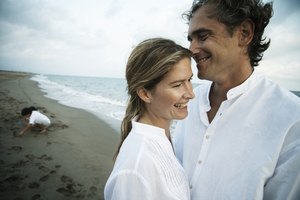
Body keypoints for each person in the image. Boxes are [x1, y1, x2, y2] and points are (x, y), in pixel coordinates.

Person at [173, 0, 300, 199]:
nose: (192, 49)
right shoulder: (188, 100)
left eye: (203, 36)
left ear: (245, 33)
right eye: (190, 39)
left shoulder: (291, 118)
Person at [104, 38, 195, 200]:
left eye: (189, 80)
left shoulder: (161, 138)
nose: (191, 93)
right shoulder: (136, 167)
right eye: (177, 85)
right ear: (145, 94)